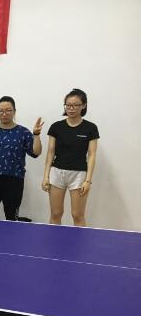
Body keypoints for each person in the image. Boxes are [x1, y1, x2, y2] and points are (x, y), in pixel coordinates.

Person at [42, 88, 99, 226]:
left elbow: (92, 155)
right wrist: (46, 176)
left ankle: (79, 240)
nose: (71, 108)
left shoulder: (90, 128)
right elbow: (50, 152)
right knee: (56, 213)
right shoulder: (56, 127)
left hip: (79, 175)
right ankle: (54, 238)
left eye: (75, 105)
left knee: (77, 215)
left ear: (83, 106)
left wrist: (88, 180)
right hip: (57, 173)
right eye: (68, 105)